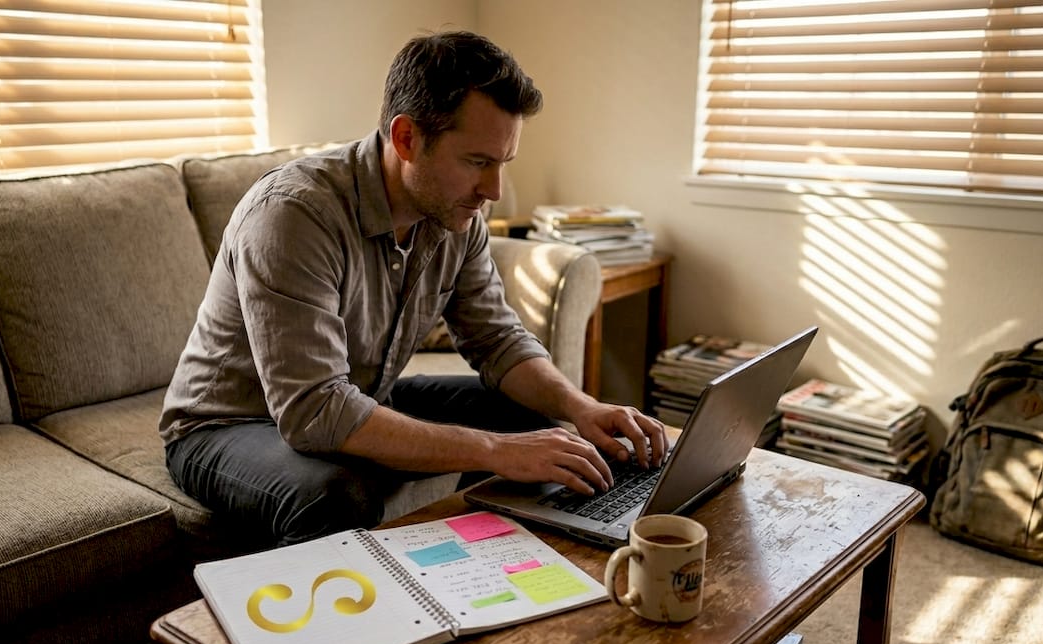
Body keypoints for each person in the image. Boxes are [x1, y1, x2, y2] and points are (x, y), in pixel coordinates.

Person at [160, 30, 667, 547]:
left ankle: (494, 563)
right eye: (477, 162)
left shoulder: (452, 216)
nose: (492, 190)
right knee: (335, 493)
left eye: (501, 164)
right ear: (406, 139)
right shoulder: (293, 215)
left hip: (359, 390)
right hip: (225, 426)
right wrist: (494, 451)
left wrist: (581, 407)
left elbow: (497, 341)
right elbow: (314, 412)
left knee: (534, 417)